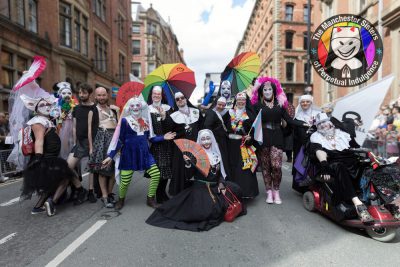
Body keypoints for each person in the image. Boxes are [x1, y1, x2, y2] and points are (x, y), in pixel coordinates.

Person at [146, 129, 244, 231]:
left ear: (212, 140)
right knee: (208, 209)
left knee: (236, 189)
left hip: (216, 185)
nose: (206, 142)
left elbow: (219, 174)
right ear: (200, 142)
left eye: (208, 139)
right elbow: (189, 175)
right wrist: (188, 163)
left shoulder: (216, 154)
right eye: (203, 139)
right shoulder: (195, 156)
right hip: (201, 188)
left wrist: (222, 184)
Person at [102, 96, 176, 210]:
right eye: (132, 106)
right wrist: (110, 156)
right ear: (129, 108)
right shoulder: (125, 121)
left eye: (138, 105)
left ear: (141, 107)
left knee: (156, 174)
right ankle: (121, 200)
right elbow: (120, 140)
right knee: (125, 182)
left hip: (145, 154)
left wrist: (163, 137)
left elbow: (151, 138)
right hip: (129, 155)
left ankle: (150, 199)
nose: (135, 107)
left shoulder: (145, 121)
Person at [309, 112, 374, 224]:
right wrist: (324, 165)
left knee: (368, 166)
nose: (323, 125)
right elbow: (319, 151)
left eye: (324, 122)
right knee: (339, 167)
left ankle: (372, 199)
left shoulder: (342, 133)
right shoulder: (316, 137)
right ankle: (358, 204)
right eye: (319, 124)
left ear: (330, 123)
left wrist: (370, 155)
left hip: (351, 162)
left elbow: (356, 147)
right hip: (332, 164)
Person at [251, 77, 306, 204]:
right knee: (265, 166)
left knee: (276, 166)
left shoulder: (279, 104)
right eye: (265, 89)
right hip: (263, 137)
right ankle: (269, 192)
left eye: (270, 89)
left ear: (274, 90)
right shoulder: (257, 105)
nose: (267, 91)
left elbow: (290, 120)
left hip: (277, 136)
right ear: (261, 92)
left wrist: (303, 124)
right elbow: (252, 121)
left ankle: (276, 190)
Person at [19, 93, 77, 216]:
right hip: (46, 158)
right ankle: (52, 202)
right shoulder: (38, 121)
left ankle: (38, 207)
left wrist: (64, 114)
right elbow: (39, 140)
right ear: (35, 109)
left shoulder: (47, 120)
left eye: (48, 104)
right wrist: (39, 158)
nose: (46, 106)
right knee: (64, 178)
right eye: (42, 104)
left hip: (51, 157)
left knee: (51, 183)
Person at [67, 83, 99, 203]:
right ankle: (80, 188)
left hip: (92, 141)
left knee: (91, 167)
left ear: (89, 94)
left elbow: (95, 127)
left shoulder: (94, 108)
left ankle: (91, 191)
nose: (81, 95)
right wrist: (75, 142)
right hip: (80, 143)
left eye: (84, 93)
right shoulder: (76, 108)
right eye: (79, 93)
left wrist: (93, 145)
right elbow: (74, 127)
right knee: (67, 166)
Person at [88, 87, 118, 208]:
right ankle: (105, 196)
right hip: (102, 141)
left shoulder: (113, 109)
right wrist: (91, 147)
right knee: (102, 170)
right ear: (95, 96)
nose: (101, 97)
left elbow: (120, 124)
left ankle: (110, 193)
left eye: (103, 95)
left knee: (114, 170)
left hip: (114, 140)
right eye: (99, 95)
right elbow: (89, 130)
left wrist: (119, 111)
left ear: (107, 95)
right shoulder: (93, 110)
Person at [168, 92, 203, 195]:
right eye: (177, 99)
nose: (180, 100)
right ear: (176, 102)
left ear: (186, 98)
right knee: (181, 172)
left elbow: (202, 128)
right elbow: (171, 133)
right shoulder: (173, 116)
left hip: (197, 146)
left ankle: (197, 193)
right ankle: (181, 194)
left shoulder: (196, 112)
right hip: (180, 149)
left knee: (197, 170)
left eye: (182, 98)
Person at [225, 92, 259, 198]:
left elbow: (255, 130)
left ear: (246, 101)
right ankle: (232, 193)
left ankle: (246, 193)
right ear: (235, 101)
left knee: (244, 169)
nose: (241, 102)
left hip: (244, 145)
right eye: (239, 100)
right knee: (232, 168)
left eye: (243, 100)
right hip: (231, 145)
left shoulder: (250, 114)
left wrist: (251, 138)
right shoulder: (229, 113)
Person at [147, 85, 174, 203]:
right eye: (154, 93)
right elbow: (148, 134)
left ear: (162, 95)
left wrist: (164, 117)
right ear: (151, 95)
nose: (156, 95)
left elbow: (171, 126)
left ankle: (163, 193)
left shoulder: (168, 108)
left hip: (168, 144)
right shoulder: (146, 110)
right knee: (158, 172)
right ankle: (158, 195)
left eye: (159, 93)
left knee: (167, 171)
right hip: (157, 144)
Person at [292, 94, 321, 192]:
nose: (305, 103)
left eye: (307, 102)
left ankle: (313, 186)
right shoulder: (297, 116)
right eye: (303, 102)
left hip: (314, 143)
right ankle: (300, 187)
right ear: (300, 103)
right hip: (300, 145)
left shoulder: (318, 114)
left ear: (311, 103)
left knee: (313, 164)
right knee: (300, 163)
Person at [204, 96, 232, 180]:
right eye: (219, 105)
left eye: (223, 105)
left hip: (220, 141)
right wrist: (212, 140)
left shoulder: (216, 113)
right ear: (216, 104)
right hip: (216, 142)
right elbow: (207, 127)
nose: (221, 107)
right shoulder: (211, 113)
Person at [53, 82, 76, 160]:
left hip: (72, 128)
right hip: (61, 127)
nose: (67, 95)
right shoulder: (56, 105)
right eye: (64, 93)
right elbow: (54, 115)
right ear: (60, 94)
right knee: (62, 145)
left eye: (69, 93)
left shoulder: (74, 105)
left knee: (72, 144)